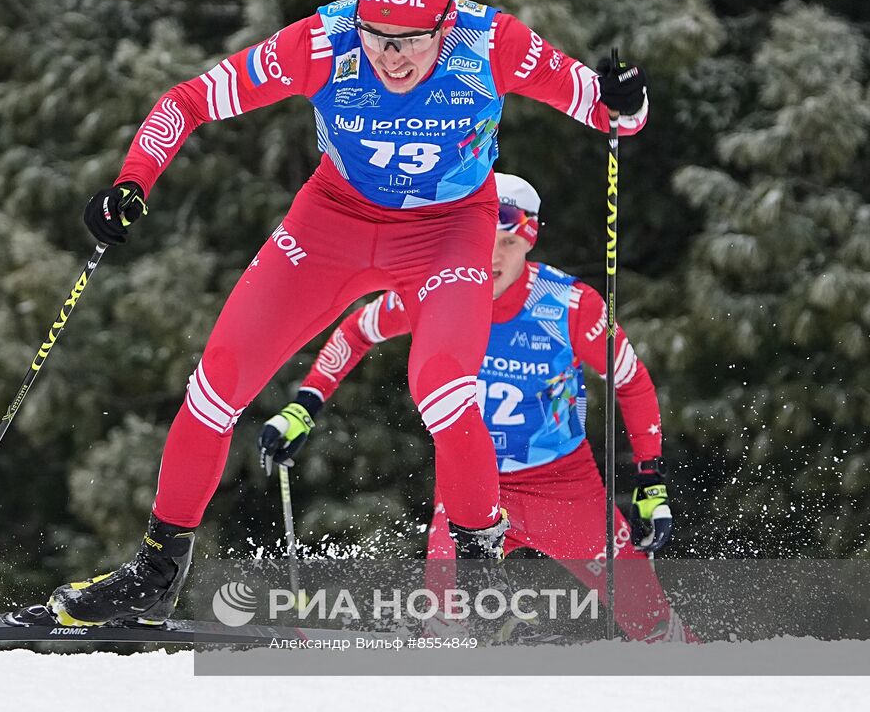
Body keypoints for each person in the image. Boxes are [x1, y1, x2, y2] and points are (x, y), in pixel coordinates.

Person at [47, 0, 649, 627]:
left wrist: (626, 98)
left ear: (445, 24)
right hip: (333, 221)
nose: (390, 57)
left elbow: (610, 116)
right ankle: (155, 570)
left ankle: (481, 563)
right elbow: (187, 101)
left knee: (445, 388)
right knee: (217, 385)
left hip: (448, 229)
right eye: (376, 37)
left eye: (409, 41)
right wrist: (131, 181)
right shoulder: (323, 42)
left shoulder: (492, 43)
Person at [259, 173, 686, 640]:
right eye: (483, 238)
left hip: (562, 485)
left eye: (507, 241)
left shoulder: (567, 306)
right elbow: (358, 330)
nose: (493, 256)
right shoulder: (438, 292)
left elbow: (632, 380)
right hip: (469, 488)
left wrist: (651, 479)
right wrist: (305, 403)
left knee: (652, 620)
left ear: (530, 238)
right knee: (448, 629)